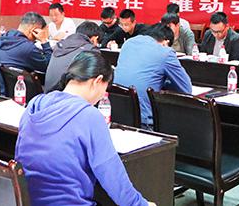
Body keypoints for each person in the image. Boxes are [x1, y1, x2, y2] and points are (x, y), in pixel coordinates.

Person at [16, 51, 156, 206]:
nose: (103, 95)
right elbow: (113, 177)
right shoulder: (89, 115)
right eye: (105, 88)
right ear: (98, 81)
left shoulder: (35, 104)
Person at [114, 24, 192, 127]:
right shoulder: (165, 52)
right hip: (144, 121)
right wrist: (164, 83)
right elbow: (186, 89)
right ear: (166, 42)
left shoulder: (129, 43)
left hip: (116, 113)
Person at [0, 12, 52, 95]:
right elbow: (48, 66)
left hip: (0, 92)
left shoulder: (2, 38)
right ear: (34, 30)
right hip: (20, 93)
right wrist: (44, 41)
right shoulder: (28, 48)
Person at [44, 21, 101, 92]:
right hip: (67, 96)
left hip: (48, 94)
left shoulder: (60, 45)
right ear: (95, 38)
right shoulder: (90, 49)